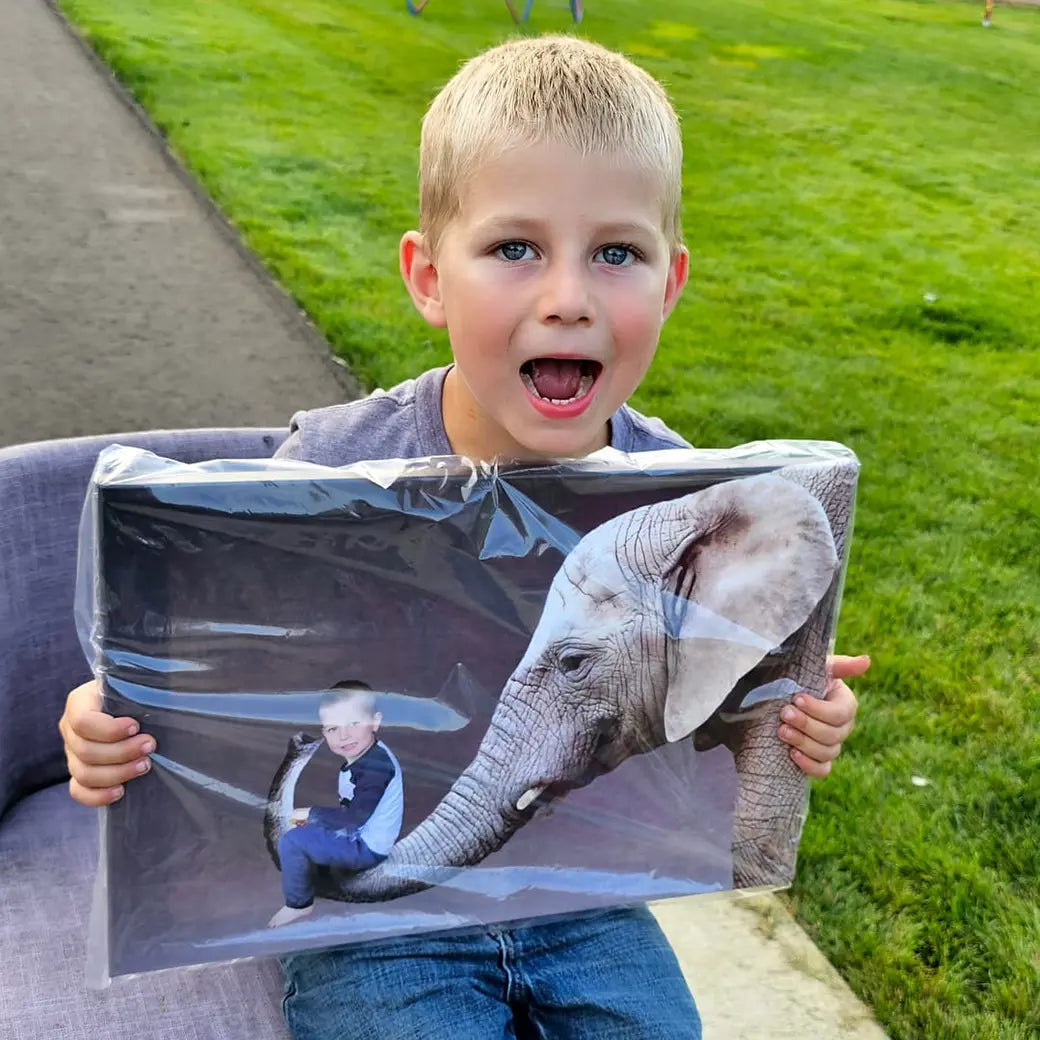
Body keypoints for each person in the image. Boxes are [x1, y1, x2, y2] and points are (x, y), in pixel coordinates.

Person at [59, 34, 870, 1040]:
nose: (566, 294)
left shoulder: (680, 499)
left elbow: (691, 705)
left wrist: (786, 714)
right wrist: (112, 714)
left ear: (669, 281)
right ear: (428, 275)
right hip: (374, 907)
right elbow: (213, 648)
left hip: (577, 898)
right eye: (513, 247)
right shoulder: (335, 465)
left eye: (615, 251)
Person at [268, 683, 404, 929]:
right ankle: (317, 876)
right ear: (324, 732)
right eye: (333, 728)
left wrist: (312, 814)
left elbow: (355, 818)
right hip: (360, 834)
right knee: (304, 829)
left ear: (375, 721)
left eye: (353, 723)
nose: (344, 736)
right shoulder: (367, 756)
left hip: (366, 847)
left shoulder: (376, 768)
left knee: (293, 841)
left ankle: (298, 904)